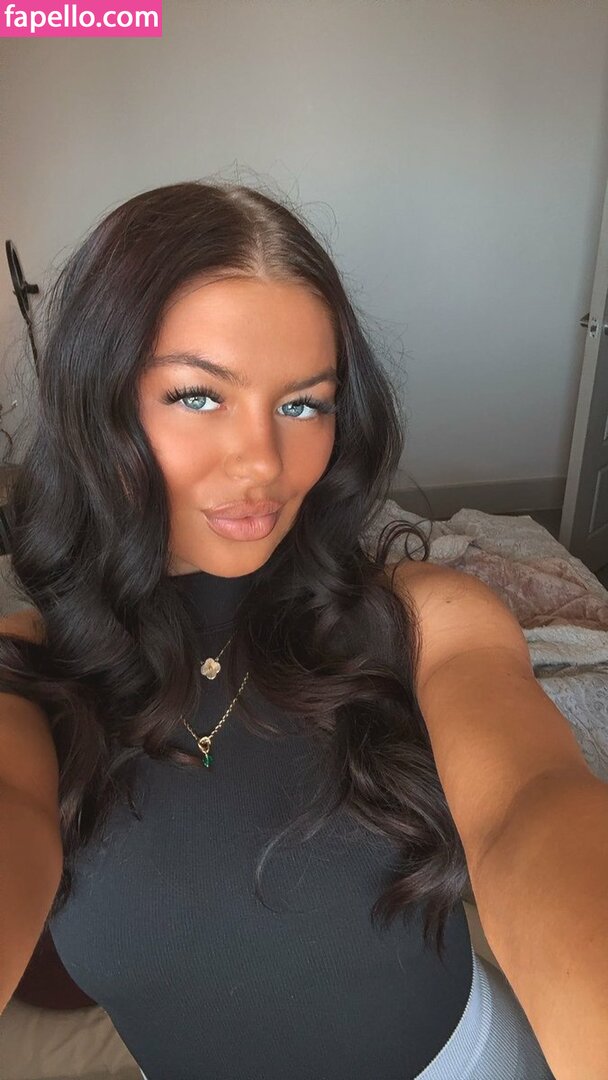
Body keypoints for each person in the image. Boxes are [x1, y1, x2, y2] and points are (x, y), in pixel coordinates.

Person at [0, 179, 569, 1077]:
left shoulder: (426, 618)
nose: (264, 464)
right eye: (198, 396)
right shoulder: (28, 674)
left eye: (303, 404)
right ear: (96, 403)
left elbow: (533, 806)